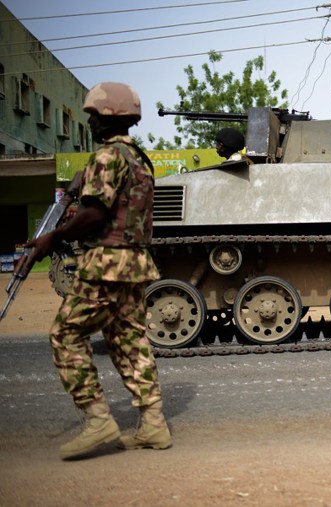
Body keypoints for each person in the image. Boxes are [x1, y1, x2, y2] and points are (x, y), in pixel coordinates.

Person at [24, 82, 172, 459]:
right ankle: (154, 425)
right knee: (130, 342)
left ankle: (97, 418)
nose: (89, 122)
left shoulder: (107, 157)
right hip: (135, 263)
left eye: (93, 115)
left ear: (109, 117)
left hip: (105, 264)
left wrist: (51, 238)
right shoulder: (140, 159)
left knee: (66, 334)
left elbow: (95, 214)